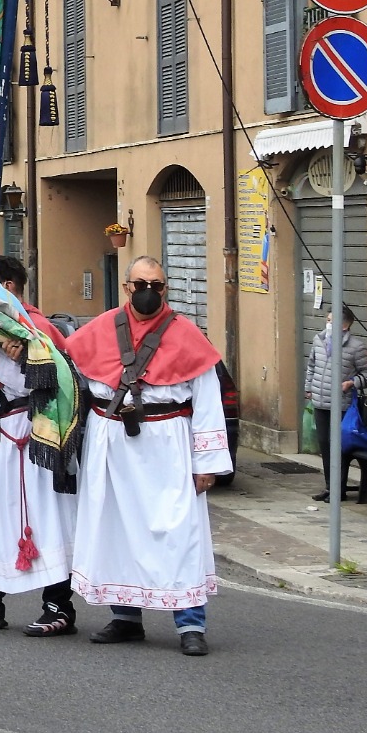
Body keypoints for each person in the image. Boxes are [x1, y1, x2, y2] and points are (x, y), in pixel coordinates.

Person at [65, 256, 230, 657]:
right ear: (126, 287)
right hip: (111, 442)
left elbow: (208, 401)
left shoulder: (188, 335)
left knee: (178, 533)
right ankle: (126, 618)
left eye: (156, 285)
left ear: (165, 289)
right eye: (141, 283)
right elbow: (71, 380)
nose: (148, 292)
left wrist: (205, 463)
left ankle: (191, 623)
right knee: (117, 528)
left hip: (167, 445)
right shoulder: (101, 328)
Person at [0, 255, 80, 637]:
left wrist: (23, 358)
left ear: (7, 287)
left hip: (36, 437)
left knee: (46, 519)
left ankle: (59, 606)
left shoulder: (38, 328)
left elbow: (57, 384)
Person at [303, 306, 367, 502]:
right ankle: (329, 486)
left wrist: (352, 383)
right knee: (325, 446)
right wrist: (308, 387)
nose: (328, 323)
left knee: (339, 447)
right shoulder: (319, 340)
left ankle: (339, 489)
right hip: (320, 401)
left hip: (341, 405)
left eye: (332, 320)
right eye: (327, 319)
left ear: (345, 325)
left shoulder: (356, 347)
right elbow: (311, 365)